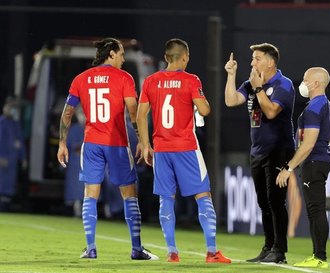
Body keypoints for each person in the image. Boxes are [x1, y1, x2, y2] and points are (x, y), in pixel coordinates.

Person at [57, 37, 158, 261]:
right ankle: (136, 248)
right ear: (111, 54)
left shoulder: (81, 79)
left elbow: (67, 113)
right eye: (121, 53)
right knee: (129, 194)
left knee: (90, 196)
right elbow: (133, 112)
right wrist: (141, 140)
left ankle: (91, 248)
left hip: (92, 144)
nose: (123, 58)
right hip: (117, 144)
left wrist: (62, 143)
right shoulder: (124, 78)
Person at [136, 38, 231, 264]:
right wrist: (198, 101)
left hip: (161, 149)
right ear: (185, 57)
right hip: (186, 147)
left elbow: (140, 116)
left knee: (166, 199)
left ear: (167, 57)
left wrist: (146, 145)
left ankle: (172, 252)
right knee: (202, 195)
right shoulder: (191, 80)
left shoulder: (151, 81)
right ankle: (212, 251)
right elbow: (205, 110)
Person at [224, 43, 295, 264]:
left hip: (279, 150)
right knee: (263, 202)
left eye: (257, 58)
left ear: (270, 62)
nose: (252, 62)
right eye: (252, 58)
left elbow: (272, 112)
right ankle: (268, 247)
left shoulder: (284, 84)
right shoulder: (250, 83)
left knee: (275, 201)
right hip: (258, 151)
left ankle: (279, 251)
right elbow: (230, 100)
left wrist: (257, 89)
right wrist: (231, 75)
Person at [276, 67, 330, 269]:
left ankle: (320, 257)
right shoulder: (325, 105)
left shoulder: (313, 108)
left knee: (316, 209)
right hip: (320, 160)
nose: (302, 83)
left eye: (305, 79)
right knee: (315, 209)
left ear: (316, 83)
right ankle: (318, 255)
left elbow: (308, 144)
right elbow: (328, 138)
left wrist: (289, 167)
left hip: (314, 162)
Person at [0, 99, 27, 211]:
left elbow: (20, 142)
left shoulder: (16, 124)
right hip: (4, 158)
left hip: (13, 159)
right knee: (2, 182)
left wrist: (23, 158)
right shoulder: (2, 123)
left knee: (9, 184)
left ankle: (6, 205)